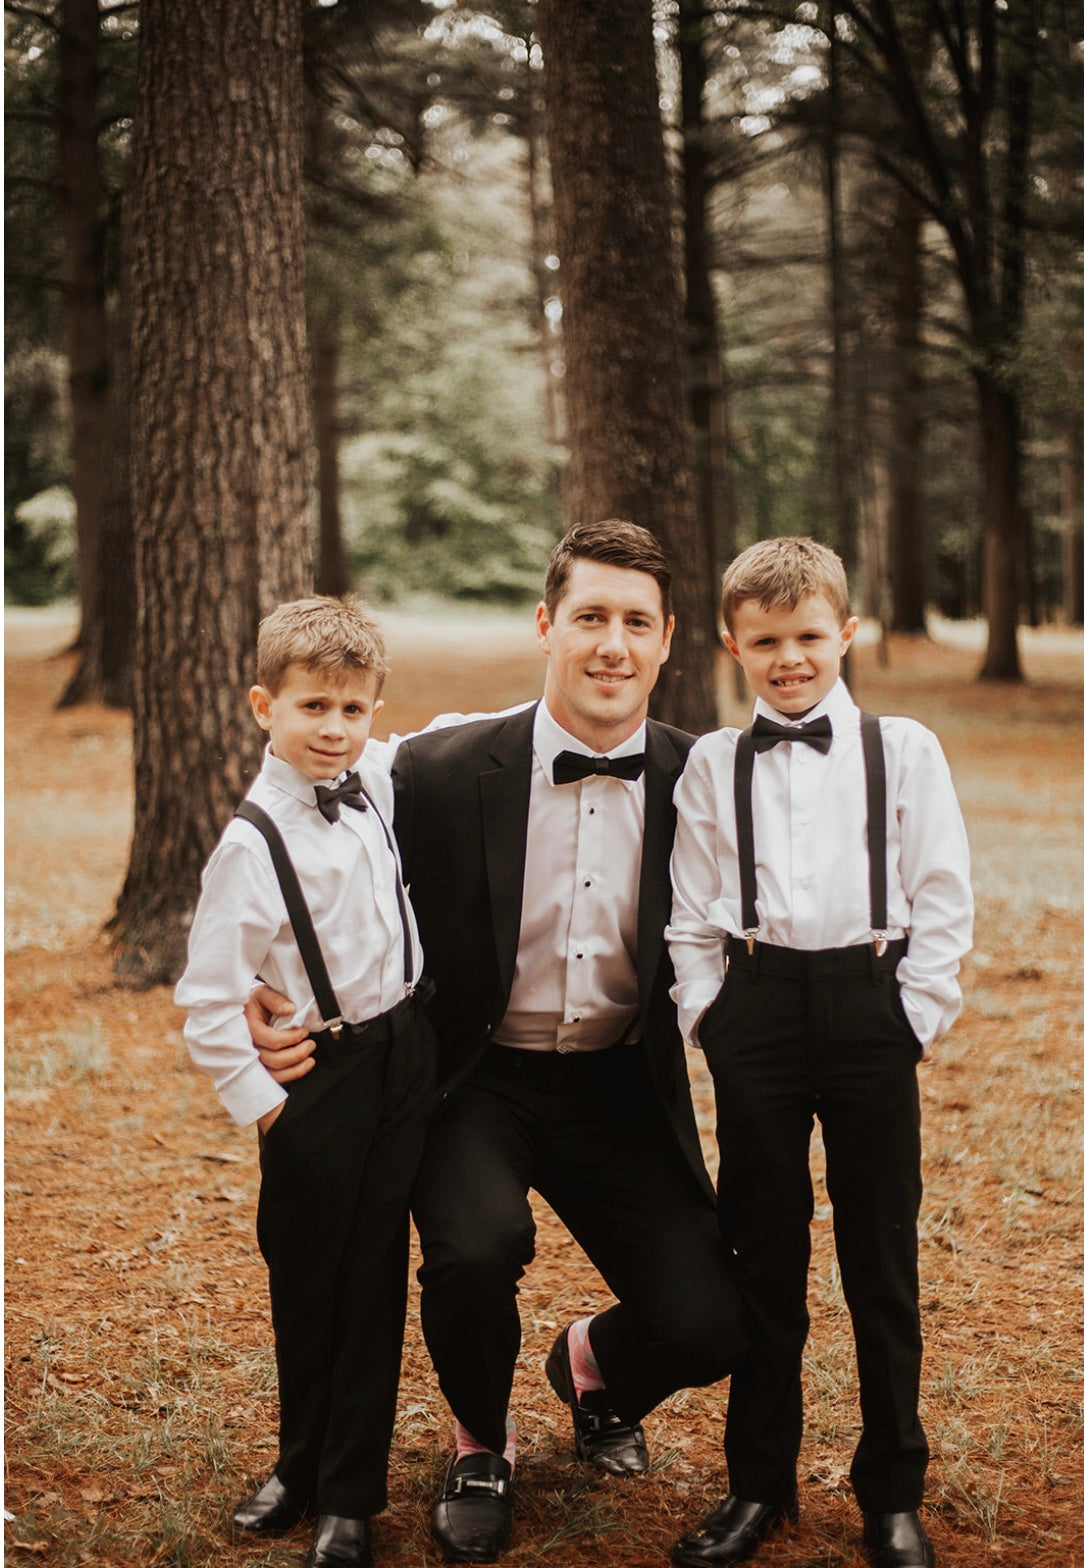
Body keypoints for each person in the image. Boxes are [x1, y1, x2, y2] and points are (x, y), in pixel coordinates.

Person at [251, 520, 748, 1564]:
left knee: (711, 1320)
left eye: (636, 622)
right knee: (475, 1250)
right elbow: (296, 808)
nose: (611, 644)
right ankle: (482, 1441)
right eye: (589, 617)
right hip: (474, 1078)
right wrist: (260, 980)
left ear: (668, 640)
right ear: (545, 625)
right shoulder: (432, 764)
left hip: (621, 1083)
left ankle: (593, 1364)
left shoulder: (703, 777)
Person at [665, 537, 973, 1568]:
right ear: (733, 645)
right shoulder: (713, 764)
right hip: (755, 1009)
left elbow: (942, 892)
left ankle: (892, 1493)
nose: (788, 658)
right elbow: (691, 909)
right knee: (763, 1253)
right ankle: (758, 1483)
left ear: (845, 632)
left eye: (807, 636)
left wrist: (913, 1016)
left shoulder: (904, 749)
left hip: (868, 1007)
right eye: (765, 642)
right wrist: (710, 1015)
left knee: (879, 1259)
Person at [175, 596, 435, 1568]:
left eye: (353, 709)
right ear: (263, 706)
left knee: (372, 1278)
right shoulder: (251, 846)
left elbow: (457, 733)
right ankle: (299, 1464)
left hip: (403, 1055)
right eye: (313, 706)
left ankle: (349, 1495)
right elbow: (208, 999)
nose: (334, 728)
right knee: (305, 1278)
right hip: (317, 1079)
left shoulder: (375, 778)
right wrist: (272, 1108)